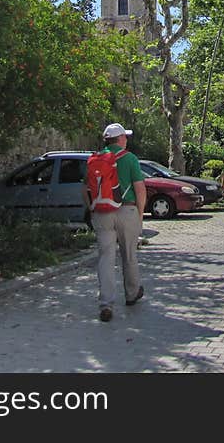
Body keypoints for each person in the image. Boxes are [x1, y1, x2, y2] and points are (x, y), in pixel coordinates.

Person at [92, 123, 147, 322]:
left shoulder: (95, 159)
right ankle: (132, 294)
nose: (126, 140)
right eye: (125, 137)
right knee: (129, 254)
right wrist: (139, 214)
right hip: (126, 210)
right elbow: (140, 189)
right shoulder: (130, 158)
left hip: (102, 212)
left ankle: (106, 303)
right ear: (120, 139)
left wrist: (91, 210)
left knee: (105, 257)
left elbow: (85, 190)